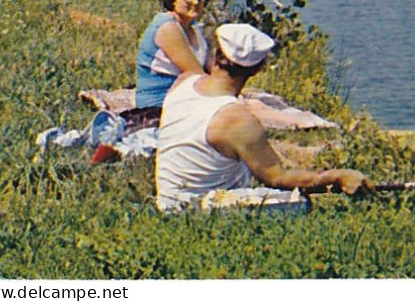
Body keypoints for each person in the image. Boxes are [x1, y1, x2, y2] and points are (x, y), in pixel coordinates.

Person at [155, 23, 368, 211]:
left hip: (167, 202)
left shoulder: (184, 82)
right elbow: (277, 177)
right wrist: (337, 176)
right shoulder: (236, 119)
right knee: (301, 206)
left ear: (215, 56)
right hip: (200, 211)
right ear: (258, 69)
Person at [133, 0, 213, 121]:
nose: (196, 2)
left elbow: (214, 70)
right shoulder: (167, 28)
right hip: (158, 107)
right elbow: (196, 74)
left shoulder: (195, 28)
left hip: (183, 100)